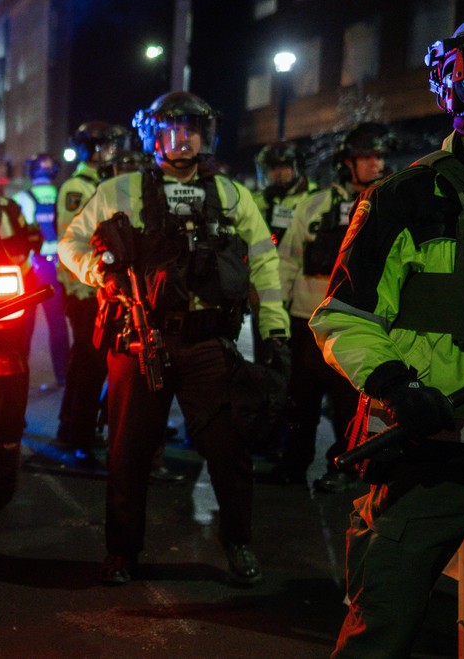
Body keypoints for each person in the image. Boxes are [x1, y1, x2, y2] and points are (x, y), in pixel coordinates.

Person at [60, 91, 290, 587]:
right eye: (170, 129)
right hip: (139, 340)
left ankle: (238, 540)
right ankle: (122, 551)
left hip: (208, 343)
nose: (181, 138)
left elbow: (265, 265)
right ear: (153, 135)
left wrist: (274, 328)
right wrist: (102, 273)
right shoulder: (119, 190)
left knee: (228, 450)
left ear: (207, 135)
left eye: (190, 129)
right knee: (128, 454)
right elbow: (71, 243)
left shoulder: (231, 195)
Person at [313, 17, 464, 657]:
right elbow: (344, 318)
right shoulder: (405, 197)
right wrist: (396, 386)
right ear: (450, 83)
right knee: (384, 623)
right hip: (429, 448)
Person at [265, 123, 394, 492]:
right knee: (300, 401)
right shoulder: (316, 205)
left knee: (350, 405)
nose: (375, 164)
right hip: (307, 318)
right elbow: (288, 261)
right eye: (367, 157)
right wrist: (278, 314)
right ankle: (293, 464)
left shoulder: (389, 201)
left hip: (358, 321)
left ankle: (345, 467)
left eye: (380, 157)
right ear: (346, 163)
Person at [53, 122, 126, 468]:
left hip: (93, 288)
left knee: (85, 362)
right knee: (90, 364)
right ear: (91, 149)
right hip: (83, 289)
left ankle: (71, 429)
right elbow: (74, 237)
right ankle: (80, 438)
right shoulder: (78, 187)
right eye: (107, 146)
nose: (112, 152)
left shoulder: (100, 184)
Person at [13, 152, 71, 387]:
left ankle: (19, 375)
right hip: (55, 267)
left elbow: (18, 235)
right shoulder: (61, 195)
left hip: (30, 268)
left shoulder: (22, 198)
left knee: (24, 327)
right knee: (57, 324)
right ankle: (63, 375)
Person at [252, 141, 315, 245]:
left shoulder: (313, 195)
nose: (278, 173)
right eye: (273, 168)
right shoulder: (259, 199)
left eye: (284, 167)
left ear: (296, 167)